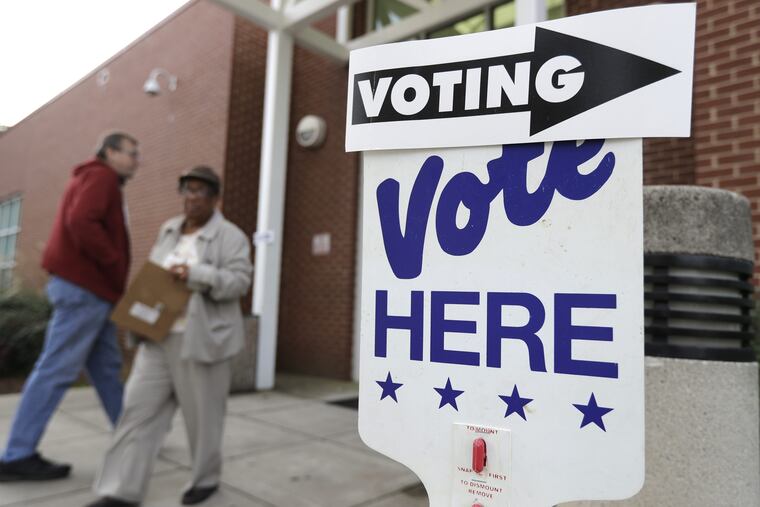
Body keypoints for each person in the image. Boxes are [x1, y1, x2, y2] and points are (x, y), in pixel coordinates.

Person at [87, 166, 253, 507]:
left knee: (204, 420)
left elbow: (239, 282)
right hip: (157, 338)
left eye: (200, 191)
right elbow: (153, 274)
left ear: (214, 198)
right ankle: (119, 491)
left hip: (202, 341)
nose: (192, 197)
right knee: (136, 412)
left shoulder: (231, 236)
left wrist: (196, 274)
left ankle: (205, 479)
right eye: (187, 190)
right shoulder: (169, 230)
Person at [0, 132, 139, 482]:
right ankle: (17, 453)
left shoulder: (91, 177)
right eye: (131, 153)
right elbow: (82, 222)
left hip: (91, 291)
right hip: (85, 290)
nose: (137, 160)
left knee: (107, 367)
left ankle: (131, 435)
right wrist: (112, 260)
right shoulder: (102, 176)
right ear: (109, 152)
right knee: (56, 369)